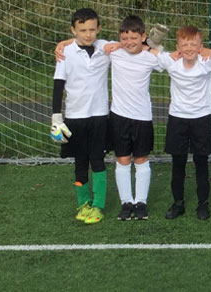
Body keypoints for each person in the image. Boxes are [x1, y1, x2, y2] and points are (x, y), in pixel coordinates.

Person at [56, 15, 163, 222]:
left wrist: (153, 45)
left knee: (141, 160)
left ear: (142, 37)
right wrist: (63, 43)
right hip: (118, 117)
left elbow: (169, 60)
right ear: (119, 38)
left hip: (143, 117)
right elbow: (86, 39)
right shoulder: (114, 51)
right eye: (125, 38)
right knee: (122, 160)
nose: (129, 42)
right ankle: (126, 203)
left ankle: (140, 202)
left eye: (135, 38)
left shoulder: (151, 56)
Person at [158, 26, 211, 221]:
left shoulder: (208, 62)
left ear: (200, 46)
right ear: (178, 47)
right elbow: (148, 47)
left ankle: (202, 204)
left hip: (202, 118)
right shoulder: (170, 62)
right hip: (177, 119)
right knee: (178, 163)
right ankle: (178, 203)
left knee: (201, 163)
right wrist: (64, 42)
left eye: (194, 44)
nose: (189, 48)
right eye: (184, 44)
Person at [51, 7, 111, 224]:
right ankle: (83, 202)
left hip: (99, 116)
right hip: (75, 117)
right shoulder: (65, 53)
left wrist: (152, 41)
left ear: (99, 29)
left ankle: (98, 205)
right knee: (80, 162)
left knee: (98, 160)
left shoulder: (105, 48)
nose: (88, 34)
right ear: (73, 30)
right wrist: (56, 117)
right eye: (82, 30)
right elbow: (58, 85)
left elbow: (129, 46)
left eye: (92, 30)